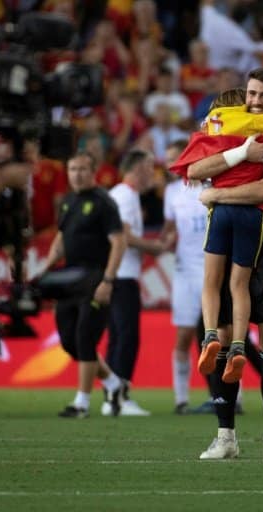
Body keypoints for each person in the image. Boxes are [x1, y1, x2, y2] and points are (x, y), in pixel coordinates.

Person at [185, 67, 263, 460]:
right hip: (231, 233)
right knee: (220, 334)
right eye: (251, 94)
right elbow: (193, 169)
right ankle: (226, 436)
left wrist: (216, 196)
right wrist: (232, 158)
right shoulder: (230, 129)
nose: (255, 101)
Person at [42, 151, 126, 418]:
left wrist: (108, 280)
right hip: (69, 279)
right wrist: (44, 270)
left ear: (93, 172)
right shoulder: (68, 201)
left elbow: (119, 242)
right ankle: (113, 383)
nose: (76, 174)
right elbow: (61, 237)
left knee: (85, 337)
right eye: (72, 169)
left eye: (82, 169)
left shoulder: (104, 202)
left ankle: (81, 404)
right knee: (70, 343)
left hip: (94, 278)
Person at [107, 149, 166, 416]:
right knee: (126, 337)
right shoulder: (126, 196)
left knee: (118, 336)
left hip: (119, 274)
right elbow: (125, 236)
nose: (151, 173)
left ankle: (112, 397)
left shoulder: (120, 194)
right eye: (148, 167)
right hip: (123, 275)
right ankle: (120, 397)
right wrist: (153, 247)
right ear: (137, 168)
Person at [161, 139, 208, 413]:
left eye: (174, 158)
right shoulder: (171, 192)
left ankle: (231, 398)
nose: (170, 165)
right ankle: (181, 399)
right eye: (167, 160)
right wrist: (161, 243)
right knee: (184, 335)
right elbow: (169, 230)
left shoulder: (212, 184)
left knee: (219, 335)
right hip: (185, 271)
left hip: (213, 268)